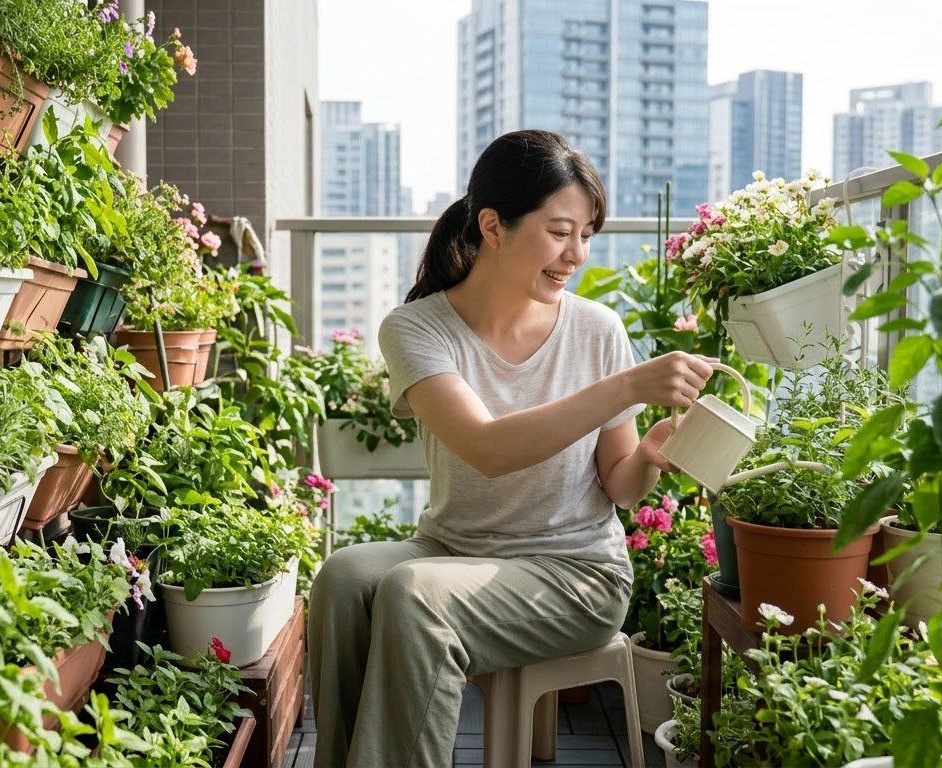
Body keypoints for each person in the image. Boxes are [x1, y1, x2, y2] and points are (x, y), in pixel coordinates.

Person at [307, 129, 716, 768]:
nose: (575, 254)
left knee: (415, 595)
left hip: (576, 573)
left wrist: (651, 454)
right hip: (453, 548)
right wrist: (628, 386)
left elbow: (620, 487)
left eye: (586, 235)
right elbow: (487, 448)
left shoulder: (598, 329)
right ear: (493, 226)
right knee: (342, 579)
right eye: (559, 232)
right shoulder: (417, 329)